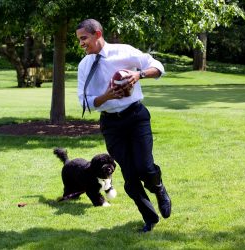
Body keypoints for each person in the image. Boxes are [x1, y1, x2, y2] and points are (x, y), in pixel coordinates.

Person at [76, 19, 171, 233]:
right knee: (129, 176)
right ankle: (149, 218)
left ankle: (159, 188)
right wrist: (106, 96)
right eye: (79, 40)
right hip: (111, 125)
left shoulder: (123, 51)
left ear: (97, 34)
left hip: (136, 117)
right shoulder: (84, 66)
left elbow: (158, 67)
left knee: (145, 168)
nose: (81, 43)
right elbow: (84, 101)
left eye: (84, 38)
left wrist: (138, 74)